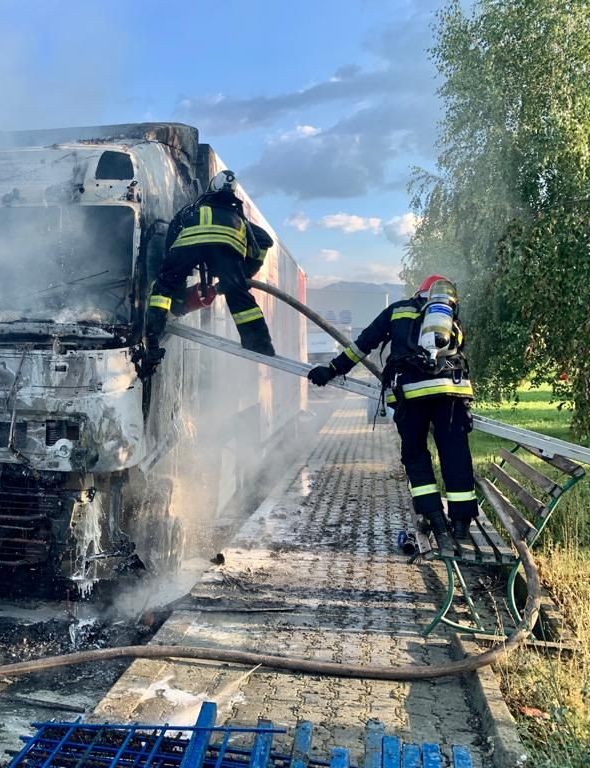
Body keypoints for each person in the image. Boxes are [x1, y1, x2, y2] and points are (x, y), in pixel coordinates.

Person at [307, 275, 476, 539]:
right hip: (452, 394)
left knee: (415, 454)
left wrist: (331, 369)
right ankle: (461, 525)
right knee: (455, 454)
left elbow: (363, 345)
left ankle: (434, 518)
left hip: (411, 395)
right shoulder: (448, 315)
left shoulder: (398, 310)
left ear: (418, 292)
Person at [143, 169, 275, 376]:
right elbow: (265, 241)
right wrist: (246, 274)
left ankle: (152, 336)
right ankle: (259, 344)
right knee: (240, 298)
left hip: (187, 247)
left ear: (211, 187)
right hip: (225, 250)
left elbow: (171, 242)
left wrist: (173, 280)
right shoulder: (238, 218)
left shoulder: (190, 211)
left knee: (163, 288)